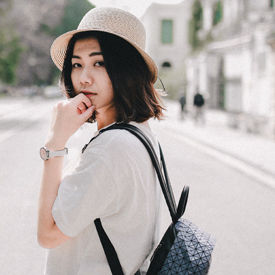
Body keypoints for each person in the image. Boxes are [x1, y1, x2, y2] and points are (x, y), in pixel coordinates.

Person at [37, 7, 164, 275]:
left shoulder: (112, 148)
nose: (83, 78)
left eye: (99, 63)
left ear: (127, 69)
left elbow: (48, 234)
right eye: (77, 64)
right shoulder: (139, 133)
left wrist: (54, 143)